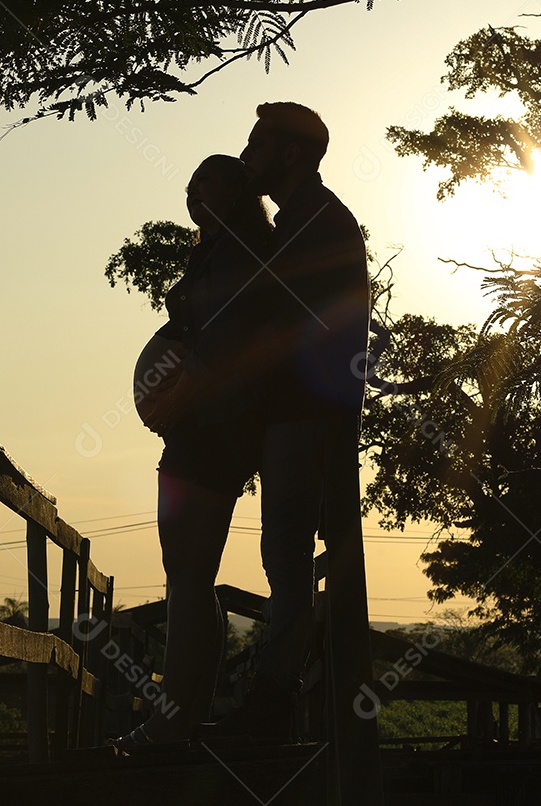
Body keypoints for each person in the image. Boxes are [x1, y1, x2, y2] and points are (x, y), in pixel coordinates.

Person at [203, 102, 371, 740]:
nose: (247, 155)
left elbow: (274, 321)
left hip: (306, 414)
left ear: (291, 154)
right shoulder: (306, 220)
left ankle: (271, 706)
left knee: (289, 559)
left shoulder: (316, 223)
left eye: (257, 144)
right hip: (300, 412)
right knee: (287, 558)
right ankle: (275, 701)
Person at [113, 154, 273, 751]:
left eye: (205, 181)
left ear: (236, 189)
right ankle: (183, 712)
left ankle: (174, 719)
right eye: (187, 185)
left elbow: (228, 340)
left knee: (186, 572)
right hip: (199, 425)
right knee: (189, 574)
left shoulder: (241, 252)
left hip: (212, 426)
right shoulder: (212, 250)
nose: (192, 192)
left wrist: (179, 395)